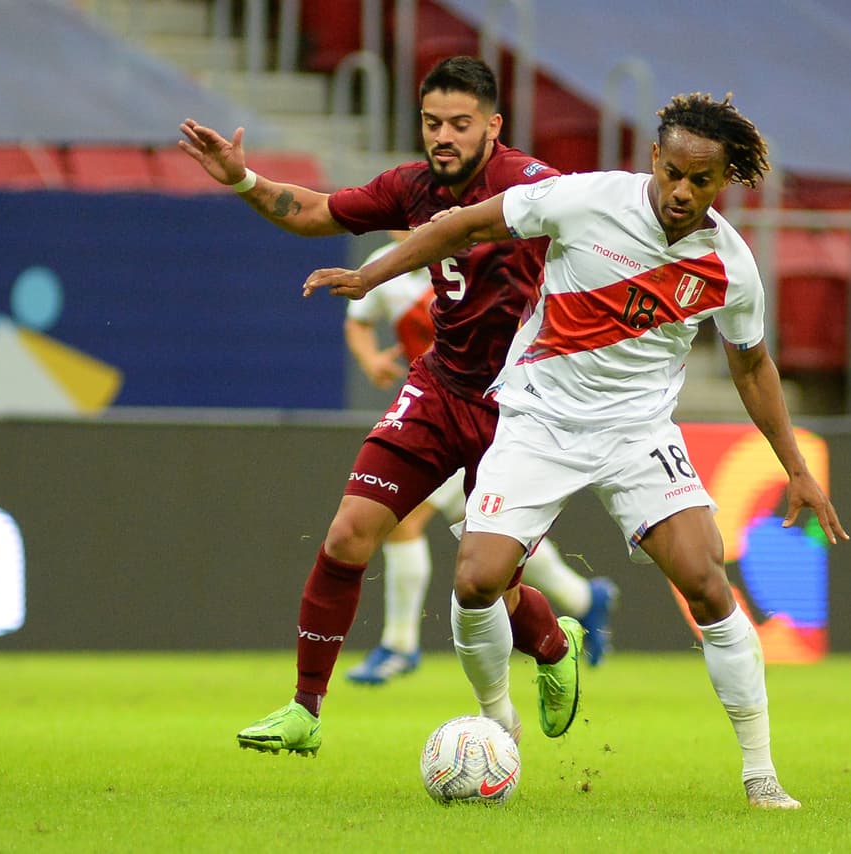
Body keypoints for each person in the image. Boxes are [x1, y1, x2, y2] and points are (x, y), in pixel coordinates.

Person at [303, 92, 851, 809]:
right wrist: (370, 275)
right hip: (537, 420)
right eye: (674, 172)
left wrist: (799, 472)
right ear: (654, 158)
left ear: (724, 183)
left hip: (637, 435)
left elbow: (752, 367)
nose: (682, 191)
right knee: (476, 581)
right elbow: (467, 223)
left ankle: (761, 776)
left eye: (702, 180)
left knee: (707, 582)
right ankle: (500, 725)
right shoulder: (583, 200)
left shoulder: (730, 265)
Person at [178, 56, 585, 755]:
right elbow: (313, 210)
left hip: (519, 409)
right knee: (347, 536)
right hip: (438, 389)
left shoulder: (531, 186)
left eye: (460, 124)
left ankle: (553, 645)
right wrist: (244, 180)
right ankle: (305, 710)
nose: (443, 137)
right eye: (432, 123)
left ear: (493, 125)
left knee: (490, 586)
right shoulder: (413, 186)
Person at [343, 233, 619, 684]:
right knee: (494, 533)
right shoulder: (386, 268)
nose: (408, 222)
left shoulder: (477, 259)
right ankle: (585, 598)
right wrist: (370, 357)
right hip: (435, 415)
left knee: (406, 521)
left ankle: (399, 646)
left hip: (489, 415)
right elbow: (359, 318)